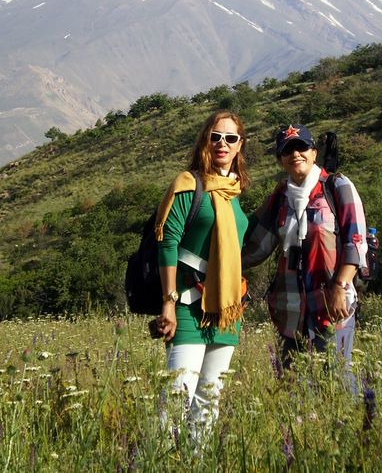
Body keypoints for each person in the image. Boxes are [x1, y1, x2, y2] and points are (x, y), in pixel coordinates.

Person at [242, 124, 367, 391]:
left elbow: (356, 242)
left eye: (301, 147)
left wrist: (340, 287)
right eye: (287, 150)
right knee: (293, 386)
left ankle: (358, 427)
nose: (294, 154)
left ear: (313, 153)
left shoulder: (337, 186)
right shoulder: (280, 197)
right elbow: (257, 245)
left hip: (332, 304)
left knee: (336, 380)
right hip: (290, 309)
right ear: (281, 159)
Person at [154, 110, 251, 440]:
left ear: (240, 146)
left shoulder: (234, 193)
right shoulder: (188, 184)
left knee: (208, 405)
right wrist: (168, 303)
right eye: (215, 137)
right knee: (175, 403)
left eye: (230, 138)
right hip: (187, 307)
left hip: (226, 312)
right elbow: (167, 244)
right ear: (204, 141)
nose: (222, 144)